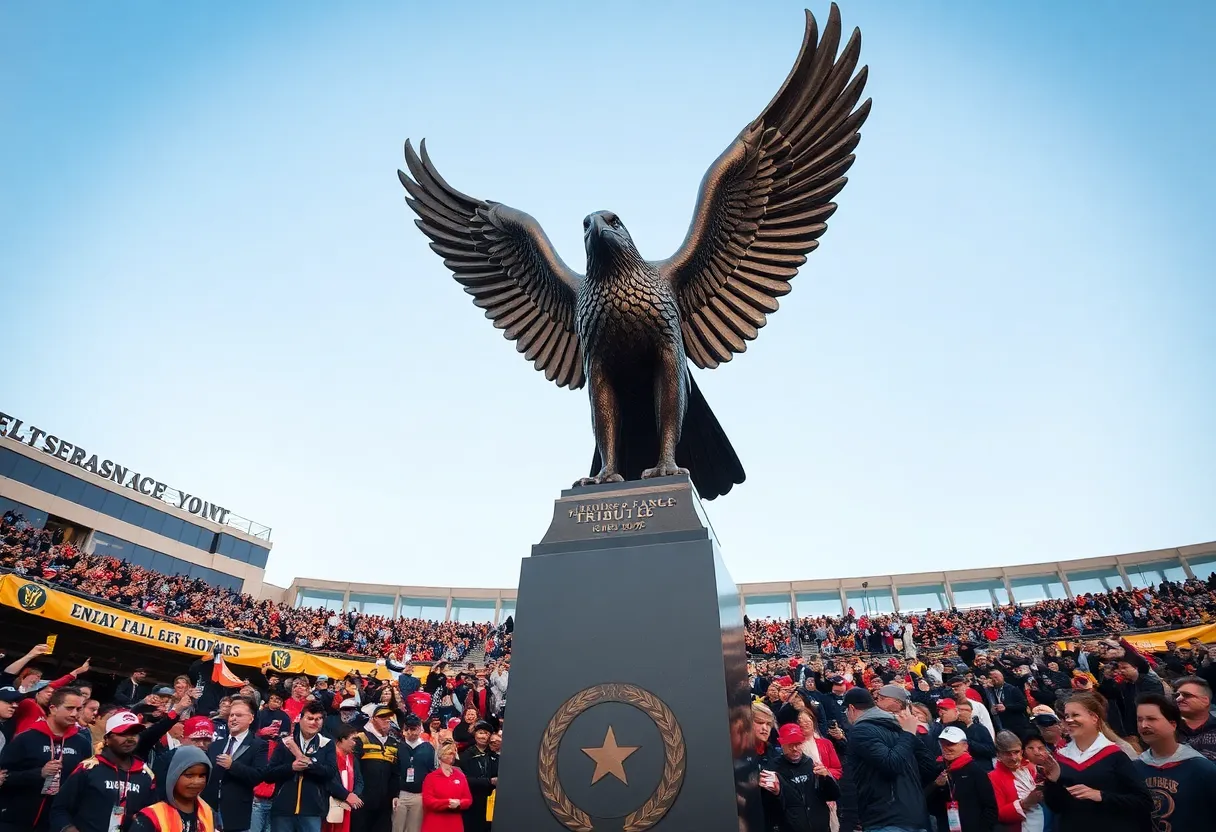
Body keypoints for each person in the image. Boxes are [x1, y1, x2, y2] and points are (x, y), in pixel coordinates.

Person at [1038, 692, 1151, 832]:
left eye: (1075, 715)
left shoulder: (1115, 754)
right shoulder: (1061, 756)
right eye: (1066, 716)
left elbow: (1143, 801)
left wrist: (1101, 796)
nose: (1069, 720)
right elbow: (1056, 807)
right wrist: (1052, 783)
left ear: (1094, 718)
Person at [0, 686, 93, 832]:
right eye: (69, 708)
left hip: (57, 823)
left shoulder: (82, 743)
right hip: (17, 820)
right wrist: (39, 773)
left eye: (79, 709)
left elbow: (86, 782)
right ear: (53, 708)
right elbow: (4, 778)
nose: (75, 714)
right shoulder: (25, 738)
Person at [842, 686, 934, 832]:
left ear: (852, 708)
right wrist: (909, 734)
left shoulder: (862, 730)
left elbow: (893, 764)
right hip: (915, 818)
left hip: (886, 819)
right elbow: (929, 768)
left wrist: (910, 735)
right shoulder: (901, 728)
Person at [49, 710, 157, 832]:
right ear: (107, 739)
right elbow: (59, 809)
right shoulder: (88, 768)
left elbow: (150, 815)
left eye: (134, 734)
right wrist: (69, 829)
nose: (130, 739)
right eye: (123, 734)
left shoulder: (146, 774)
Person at [1131, 692, 1216, 832]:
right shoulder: (1135, 767)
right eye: (1139, 720)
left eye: (1151, 719)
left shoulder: (1201, 769)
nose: (1144, 725)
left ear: (1173, 724)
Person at [759, 722, 839, 831]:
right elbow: (770, 808)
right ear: (782, 744)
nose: (795, 748)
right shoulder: (773, 768)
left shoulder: (810, 763)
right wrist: (778, 793)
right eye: (790, 744)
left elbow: (833, 795)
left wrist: (826, 778)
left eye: (798, 744)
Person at [204, 697, 268, 832]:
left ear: (251, 718)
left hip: (237, 812)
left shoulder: (258, 745)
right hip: (210, 810)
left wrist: (233, 766)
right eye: (231, 715)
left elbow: (258, 775)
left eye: (238, 715)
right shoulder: (216, 745)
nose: (233, 718)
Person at [926, 726, 997, 831]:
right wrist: (936, 785)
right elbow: (928, 803)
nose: (946, 747)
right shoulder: (938, 769)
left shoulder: (975, 770)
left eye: (951, 744)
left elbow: (990, 807)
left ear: (965, 746)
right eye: (943, 743)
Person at [128, 745, 215, 832]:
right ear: (174, 776)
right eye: (189, 775)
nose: (197, 781)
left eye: (202, 776)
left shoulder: (208, 813)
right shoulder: (152, 817)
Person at [352, 706, 400, 832]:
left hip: (384, 803)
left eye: (388, 718)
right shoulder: (360, 738)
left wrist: (394, 795)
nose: (387, 720)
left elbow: (395, 773)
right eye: (382, 717)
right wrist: (357, 793)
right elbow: (354, 769)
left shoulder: (393, 743)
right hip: (363, 800)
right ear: (372, 719)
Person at [988, 731, 1044, 832]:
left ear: (1022, 752)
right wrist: (1024, 803)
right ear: (998, 755)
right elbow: (999, 814)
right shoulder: (993, 777)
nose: (1013, 758)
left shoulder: (1030, 768)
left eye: (1016, 752)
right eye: (1007, 753)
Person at [395, 714, 435, 832]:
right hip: (401, 793)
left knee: (415, 828)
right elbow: (394, 771)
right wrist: (394, 794)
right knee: (397, 827)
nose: (410, 732)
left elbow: (431, 772)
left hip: (419, 794)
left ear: (420, 728)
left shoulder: (428, 747)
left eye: (413, 729)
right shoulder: (398, 746)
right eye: (407, 729)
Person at [456, 720, 497, 832]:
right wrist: (488, 782)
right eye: (480, 733)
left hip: (490, 801)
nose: (483, 736)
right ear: (475, 735)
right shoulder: (466, 755)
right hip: (471, 800)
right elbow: (463, 779)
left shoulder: (494, 756)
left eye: (486, 733)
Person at [420, 742, 470, 832]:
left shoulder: (460, 776)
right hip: (434, 823)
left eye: (452, 753)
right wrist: (448, 803)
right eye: (448, 753)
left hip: (455, 823)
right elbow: (428, 801)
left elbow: (468, 799)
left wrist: (459, 803)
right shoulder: (431, 777)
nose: (451, 756)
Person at [1173, 676, 1216, 761]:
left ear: (1205, 700)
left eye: (1187, 695)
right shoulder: (1166, 728)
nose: (1178, 698)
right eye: (1176, 695)